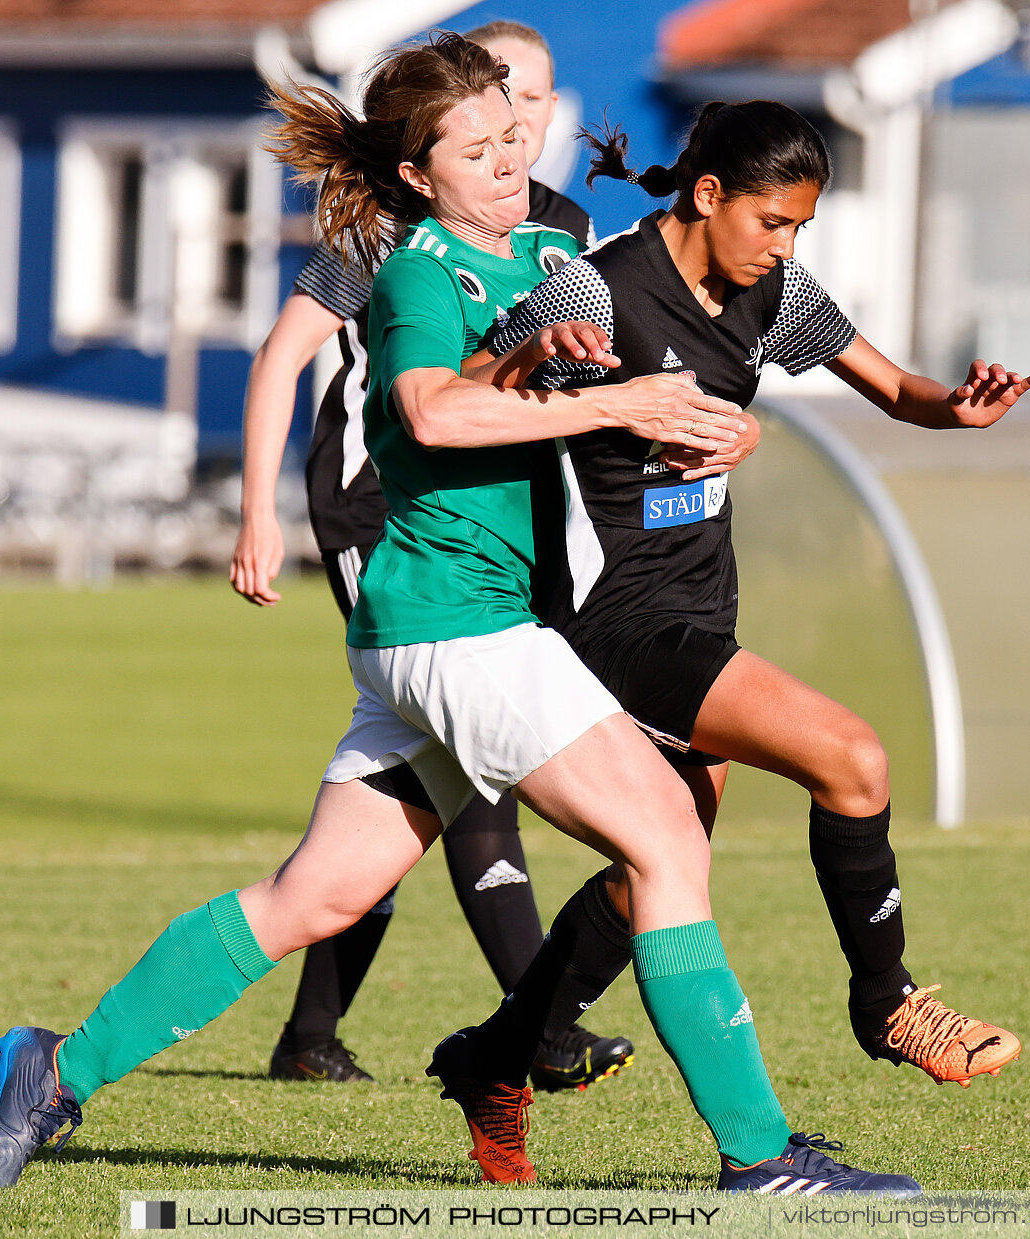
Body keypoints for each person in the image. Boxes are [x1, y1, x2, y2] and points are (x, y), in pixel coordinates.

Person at [0, 35, 919, 1198]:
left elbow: (562, 372)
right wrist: (605, 395)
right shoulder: (418, 269)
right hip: (459, 630)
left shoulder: (546, 252)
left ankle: (52, 1070)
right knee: (667, 838)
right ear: (421, 176)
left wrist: (637, 397)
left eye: (514, 130)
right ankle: (764, 1159)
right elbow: (431, 416)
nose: (509, 157)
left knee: (312, 897)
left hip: (438, 636)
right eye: (476, 148)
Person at [420, 101, 1030, 1158]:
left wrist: (958, 406)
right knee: (852, 757)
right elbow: (462, 398)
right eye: (771, 222)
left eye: (798, 227)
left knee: (653, 866)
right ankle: (886, 1004)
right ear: (708, 197)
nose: (786, 247)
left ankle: (497, 1057)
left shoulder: (773, 291)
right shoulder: (593, 290)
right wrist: (533, 361)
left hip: (702, 603)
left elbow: (893, 389)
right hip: (616, 616)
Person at [228, 21, 627, 1092]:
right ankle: (536, 1026)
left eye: (536, 101)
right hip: (381, 510)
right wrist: (256, 510)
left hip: (504, 527)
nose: (525, 120)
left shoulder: (562, 230)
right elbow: (286, 356)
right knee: (469, 753)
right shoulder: (396, 238)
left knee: (412, 789)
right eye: (506, 98)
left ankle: (314, 1032)